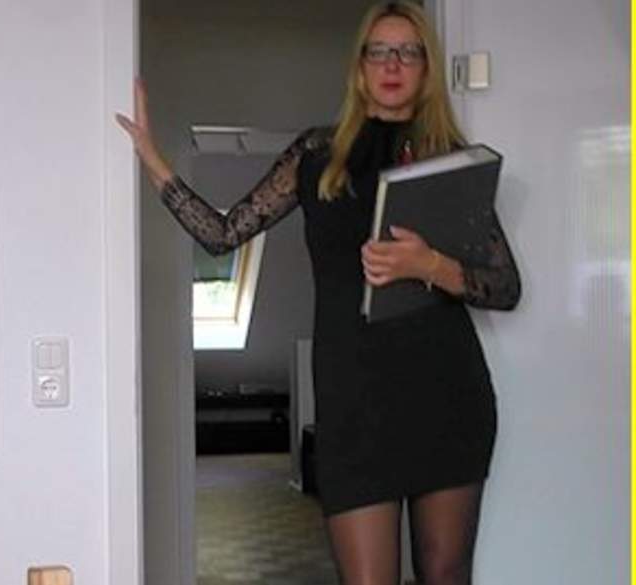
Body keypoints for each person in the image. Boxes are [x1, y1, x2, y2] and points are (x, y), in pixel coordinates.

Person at [116, 2, 521, 584]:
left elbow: (505, 287)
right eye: (379, 51)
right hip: (353, 403)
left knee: (446, 575)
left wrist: (430, 264)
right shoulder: (316, 156)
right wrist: (153, 159)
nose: (392, 64)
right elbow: (222, 234)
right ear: (359, 67)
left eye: (408, 52)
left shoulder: (450, 162)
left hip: (446, 395)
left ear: (427, 69)